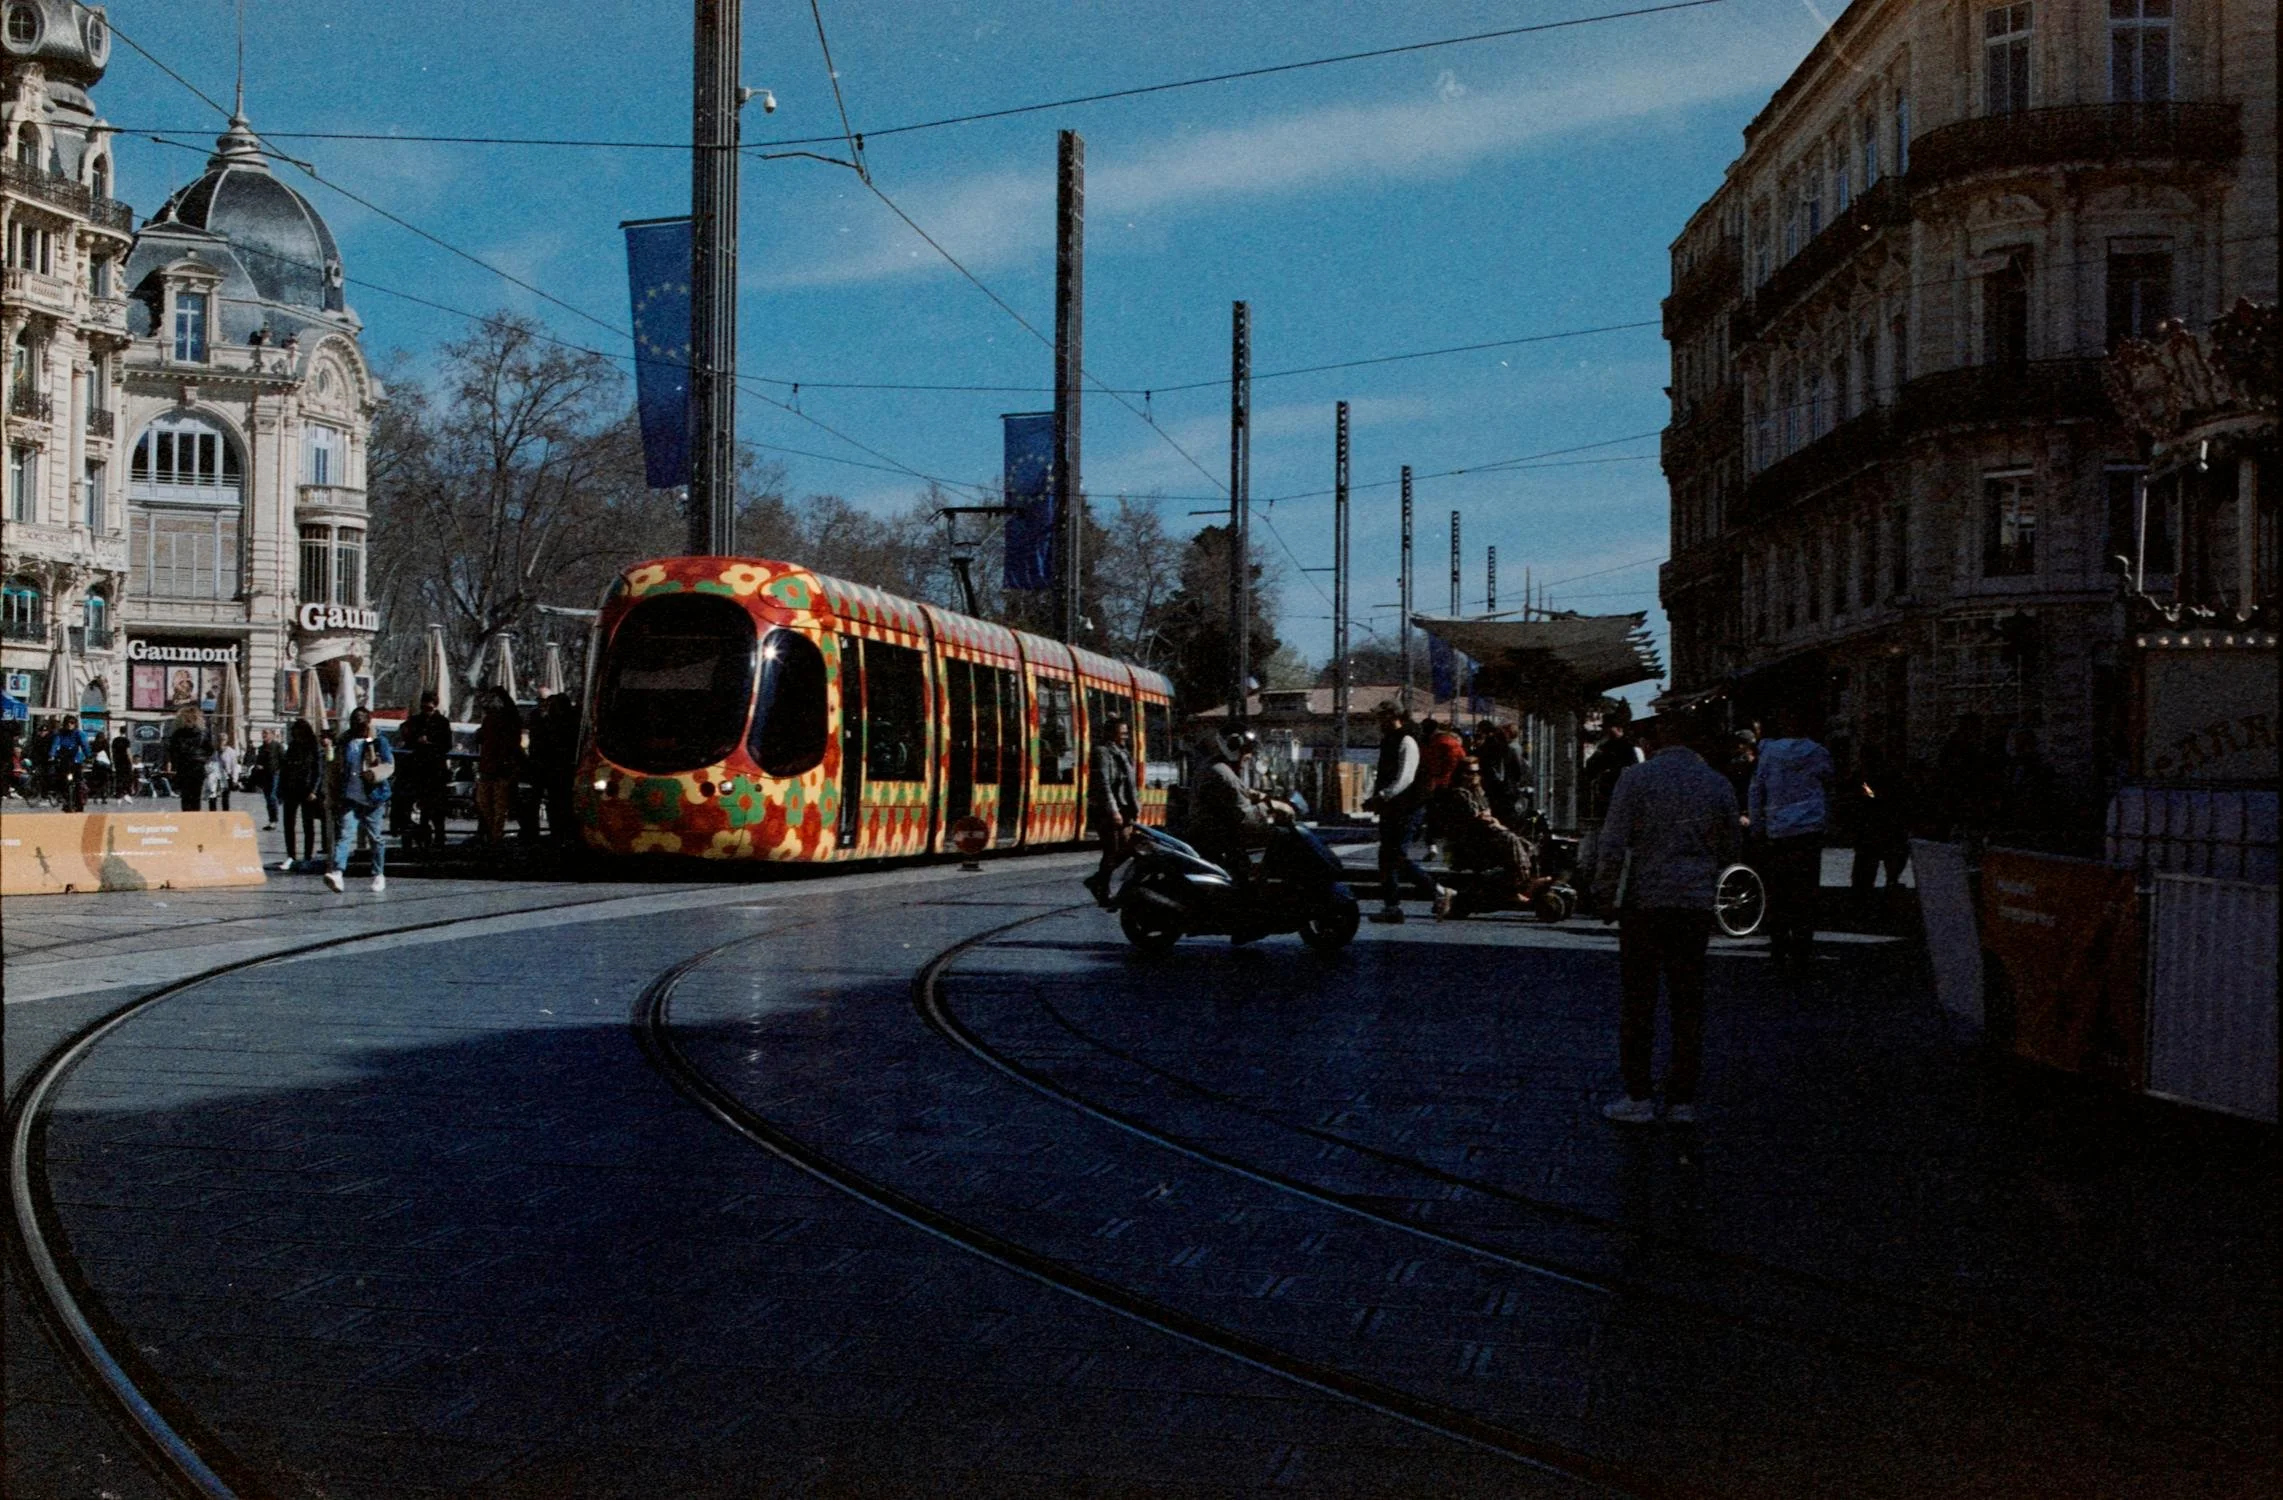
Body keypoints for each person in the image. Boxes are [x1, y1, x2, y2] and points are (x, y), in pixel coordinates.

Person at [1590, 714, 1741, 1125]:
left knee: (1639, 1001)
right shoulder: (1717, 783)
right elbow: (1731, 846)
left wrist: (1604, 894)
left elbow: (1613, 841)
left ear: (1660, 739)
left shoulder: (1635, 779)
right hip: (1693, 903)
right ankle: (1681, 1099)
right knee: (1687, 1001)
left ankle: (1638, 1096)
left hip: (1644, 900)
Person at [1748, 708, 1835, 967]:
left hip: (1778, 832)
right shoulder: (1818, 752)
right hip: (1808, 831)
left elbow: (1756, 790)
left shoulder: (1769, 754)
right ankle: (1801, 950)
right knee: (1806, 894)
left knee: (1778, 893)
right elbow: (1829, 784)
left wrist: (1757, 826)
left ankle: (1778, 946)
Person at [1361, 701, 1449, 923]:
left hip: (1407, 807)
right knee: (1386, 857)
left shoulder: (1407, 740)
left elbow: (1405, 778)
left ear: (1392, 716)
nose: (1377, 722)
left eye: (1380, 717)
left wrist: (1382, 796)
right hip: (1393, 808)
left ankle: (1438, 891)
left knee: (1396, 856)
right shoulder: (1390, 739)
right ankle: (1392, 907)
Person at [1441, 757, 1538, 912]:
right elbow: (1478, 819)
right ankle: (1521, 881)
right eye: (1470, 773)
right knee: (1510, 839)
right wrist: (1494, 823)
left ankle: (1524, 878)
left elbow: (1486, 816)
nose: (1474, 776)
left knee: (1523, 842)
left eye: (1477, 772)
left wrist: (1495, 823)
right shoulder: (1459, 794)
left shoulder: (1479, 793)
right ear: (1461, 774)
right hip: (1470, 841)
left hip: (1484, 836)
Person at [1188, 726, 1270, 886]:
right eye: (1247, 752)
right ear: (1234, 748)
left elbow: (1237, 794)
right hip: (1218, 846)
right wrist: (1270, 809)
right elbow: (1244, 818)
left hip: (1216, 842)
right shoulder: (1222, 774)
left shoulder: (1218, 768)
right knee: (1240, 884)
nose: (1249, 758)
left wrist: (1253, 795)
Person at [325, 707, 393, 893]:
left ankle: (378, 874)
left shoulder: (378, 741)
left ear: (368, 723)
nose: (358, 727)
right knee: (345, 833)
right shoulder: (345, 741)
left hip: (373, 797)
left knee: (375, 837)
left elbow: (389, 765)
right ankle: (338, 872)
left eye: (361, 724)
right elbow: (335, 766)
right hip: (350, 796)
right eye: (355, 723)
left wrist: (373, 774)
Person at [1083, 715, 1141, 906]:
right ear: (1110, 733)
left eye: (1126, 732)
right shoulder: (1102, 752)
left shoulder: (1123, 752)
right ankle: (1103, 890)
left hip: (1124, 808)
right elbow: (1104, 784)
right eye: (1121, 733)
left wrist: (1134, 807)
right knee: (1112, 850)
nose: (1125, 736)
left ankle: (1097, 881)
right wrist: (1113, 811)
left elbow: (1130, 783)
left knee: (1128, 848)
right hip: (1107, 810)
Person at [1846, 744, 1913, 907]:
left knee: (1871, 861)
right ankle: (1880, 887)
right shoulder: (1885, 775)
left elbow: (1866, 797)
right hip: (1879, 824)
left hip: (1876, 824)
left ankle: (1870, 893)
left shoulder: (1867, 776)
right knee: (1876, 861)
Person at [398, 691, 454, 849]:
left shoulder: (442, 722)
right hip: (418, 770)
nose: (426, 710)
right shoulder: (415, 721)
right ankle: (420, 837)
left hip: (435, 771)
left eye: (429, 708)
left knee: (436, 809)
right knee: (417, 807)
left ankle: (439, 838)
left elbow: (447, 745)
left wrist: (430, 743)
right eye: (424, 707)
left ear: (435, 706)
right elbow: (406, 739)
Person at [527, 694, 582, 844]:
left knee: (555, 802)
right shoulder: (574, 723)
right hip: (565, 769)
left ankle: (556, 832)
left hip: (553, 769)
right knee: (563, 803)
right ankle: (563, 832)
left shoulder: (550, 723)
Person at [475, 689, 523, 847]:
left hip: (500, 767)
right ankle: (493, 833)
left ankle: (495, 835)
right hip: (491, 766)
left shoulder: (508, 720)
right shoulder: (491, 720)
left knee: (496, 804)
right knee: (489, 803)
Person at [276, 719, 324, 871]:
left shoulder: (313, 747)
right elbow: (285, 768)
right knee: (288, 823)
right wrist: (280, 788)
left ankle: (307, 856)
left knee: (307, 823)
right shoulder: (292, 746)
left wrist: (314, 790)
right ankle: (291, 855)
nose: (296, 735)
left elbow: (318, 770)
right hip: (291, 789)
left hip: (307, 789)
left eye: (298, 732)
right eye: (294, 733)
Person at [1476, 721, 1533, 833]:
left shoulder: (1511, 748)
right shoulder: (1510, 747)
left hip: (1506, 788)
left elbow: (1517, 769)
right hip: (1507, 788)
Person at [165, 706, 217, 814]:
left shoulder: (178, 733)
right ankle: (195, 819)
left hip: (184, 767)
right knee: (196, 796)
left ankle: (187, 818)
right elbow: (210, 749)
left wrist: (175, 764)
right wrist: (203, 759)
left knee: (185, 796)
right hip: (198, 766)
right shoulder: (203, 733)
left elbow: (172, 751)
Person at [49, 714, 90, 812]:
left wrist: (88, 755)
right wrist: (51, 755)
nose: (69, 725)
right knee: (61, 780)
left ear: (75, 724)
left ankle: (80, 801)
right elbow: (55, 744)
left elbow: (84, 745)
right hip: (64, 761)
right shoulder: (60, 734)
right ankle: (65, 800)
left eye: (72, 723)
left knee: (78, 781)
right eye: (68, 723)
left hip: (75, 761)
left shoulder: (79, 734)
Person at [251, 729, 283, 829]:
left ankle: (274, 820)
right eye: (263, 733)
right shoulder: (261, 748)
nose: (264, 735)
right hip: (264, 776)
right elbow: (258, 761)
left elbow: (283, 761)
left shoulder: (277, 746)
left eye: (266, 733)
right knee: (268, 798)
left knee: (272, 796)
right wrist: (258, 767)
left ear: (272, 735)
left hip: (275, 774)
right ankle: (271, 820)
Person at [110, 730, 134, 801]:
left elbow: (113, 751)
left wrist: (113, 760)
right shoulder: (126, 740)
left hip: (118, 761)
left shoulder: (115, 740)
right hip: (125, 761)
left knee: (119, 777)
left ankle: (118, 793)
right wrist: (131, 762)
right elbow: (128, 752)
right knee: (128, 777)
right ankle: (126, 792)